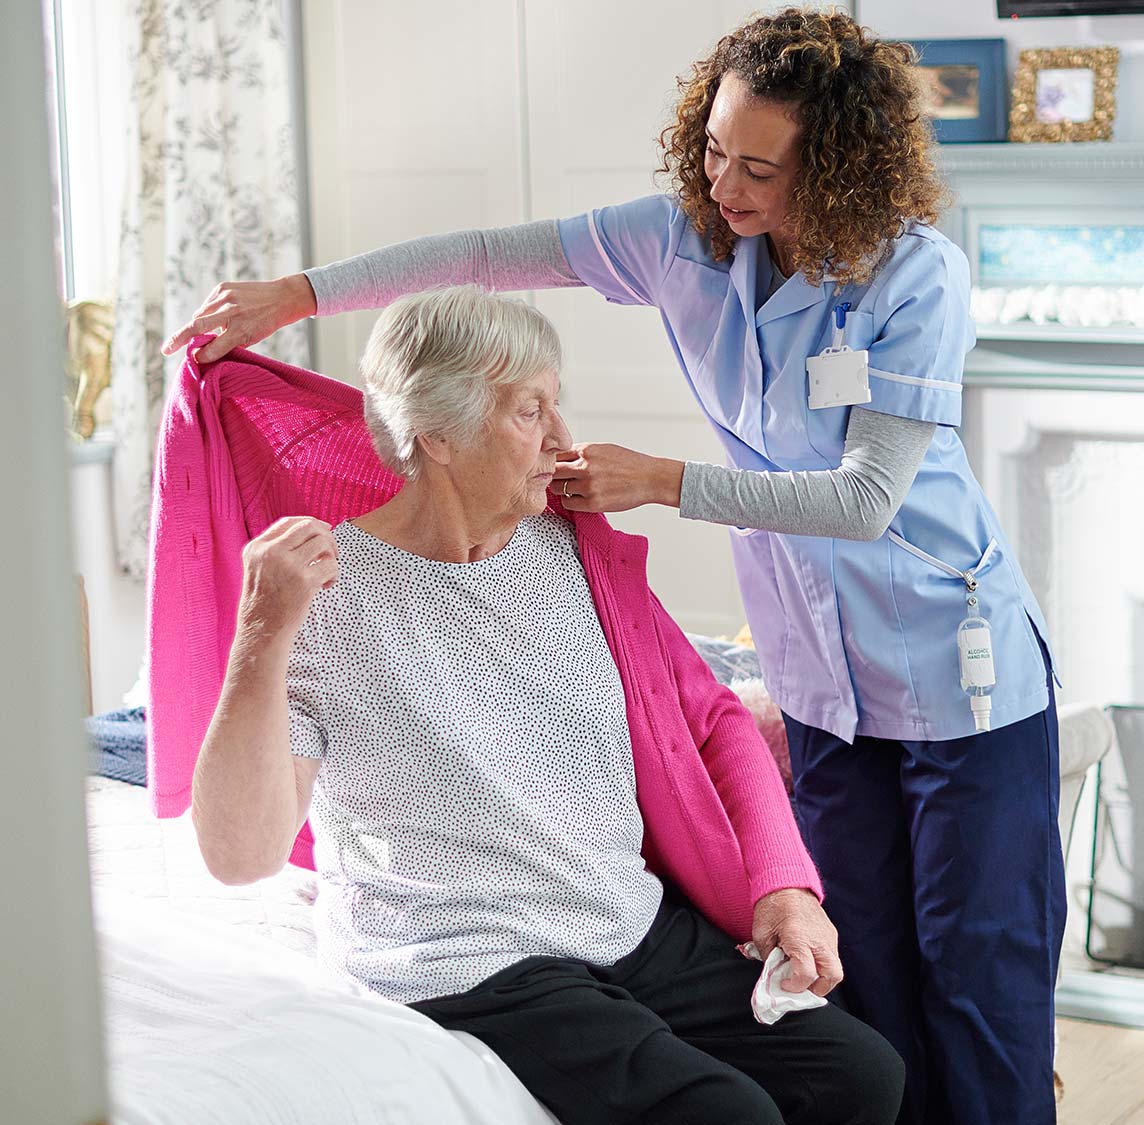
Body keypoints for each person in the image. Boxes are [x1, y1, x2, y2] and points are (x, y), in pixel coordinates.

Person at [167, 10, 1063, 1123]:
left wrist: (661, 481)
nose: (723, 184)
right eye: (712, 149)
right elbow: (488, 254)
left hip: (950, 660)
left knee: (979, 990)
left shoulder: (912, 276)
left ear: (830, 171)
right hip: (819, 675)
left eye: (759, 168)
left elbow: (864, 500)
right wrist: (300, 293)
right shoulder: (681, 240)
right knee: (871, 982)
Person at [190, 285, 904, 1125]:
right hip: (466, 950)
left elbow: (712, 718)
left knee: (862, 1072)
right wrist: (260, 632)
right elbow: (241, 855)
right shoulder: (326, 600)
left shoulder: (573, 545)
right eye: (532, 410)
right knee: (726, 1114)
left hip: (615, 916)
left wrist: (787, 887)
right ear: (438, 433)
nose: (563, 439)